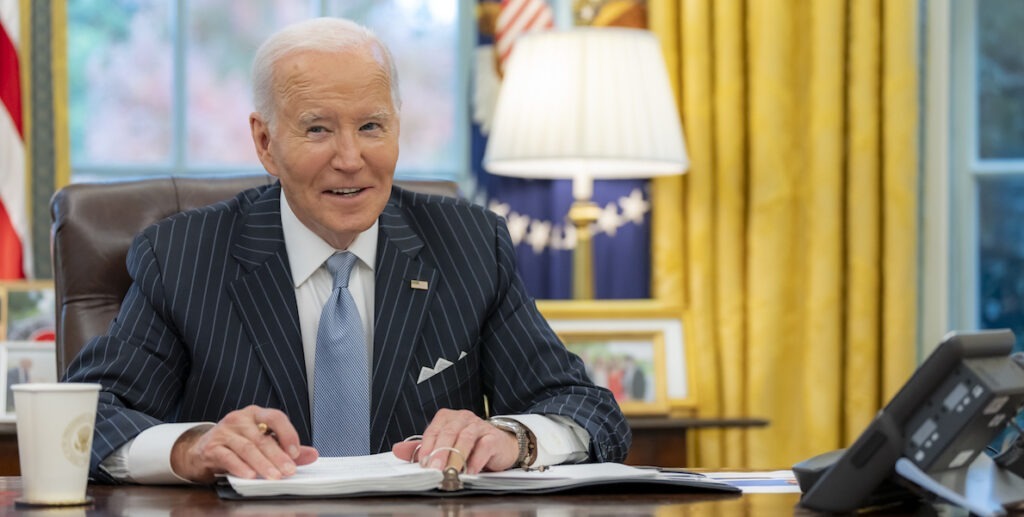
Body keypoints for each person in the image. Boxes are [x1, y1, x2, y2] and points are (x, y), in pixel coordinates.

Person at [63, 17, 630, 485]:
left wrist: (514, 437)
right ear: (265, 141)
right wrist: (191, 447)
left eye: (371, 126)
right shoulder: (184, 255)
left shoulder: (470, 244)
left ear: (398, 129)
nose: (351, 158)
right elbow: (83, 418)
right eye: (317, 130)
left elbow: (586, 410)